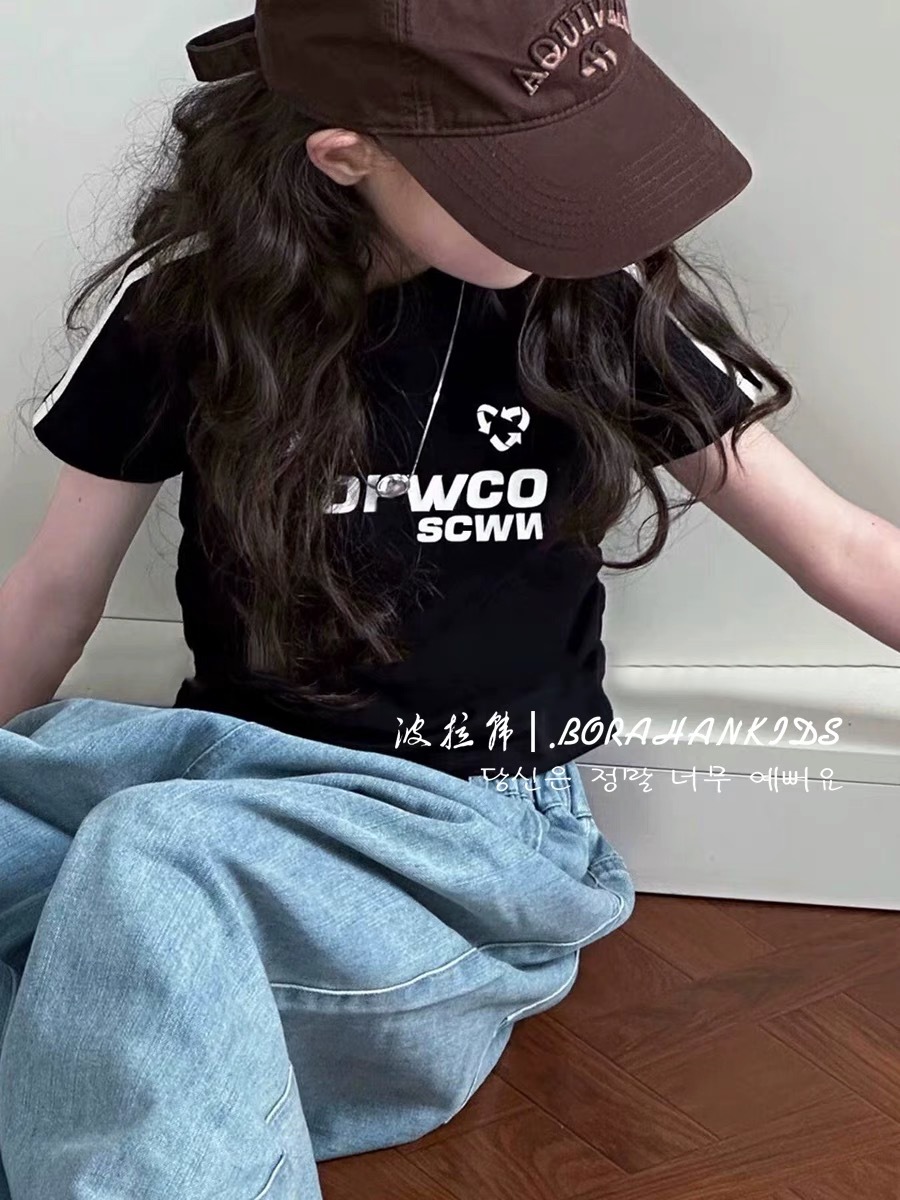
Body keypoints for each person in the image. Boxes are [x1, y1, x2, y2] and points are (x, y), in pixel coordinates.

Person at [1, 2, 897, 1197]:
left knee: (150, 861)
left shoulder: (597, 294)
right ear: (346, 155)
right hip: (233, 784)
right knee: (95, 855)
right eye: (519, 181)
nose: (572, 210)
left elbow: (838, 545)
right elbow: (53, 592)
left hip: (469, 834)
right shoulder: (191, 303)